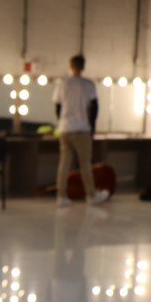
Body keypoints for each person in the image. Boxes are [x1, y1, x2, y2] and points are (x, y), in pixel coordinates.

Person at [52, 55, 109, 207]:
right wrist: (92, 126)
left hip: (65, 128)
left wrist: (61, 122)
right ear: (83, 67)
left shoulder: (62, 83)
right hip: (82, 128)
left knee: (64, 163)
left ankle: (61, 196)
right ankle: (91, 194)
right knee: (85, 164)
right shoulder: (88, 84)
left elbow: (57, 107)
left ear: (70, 66)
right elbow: (95, 107)